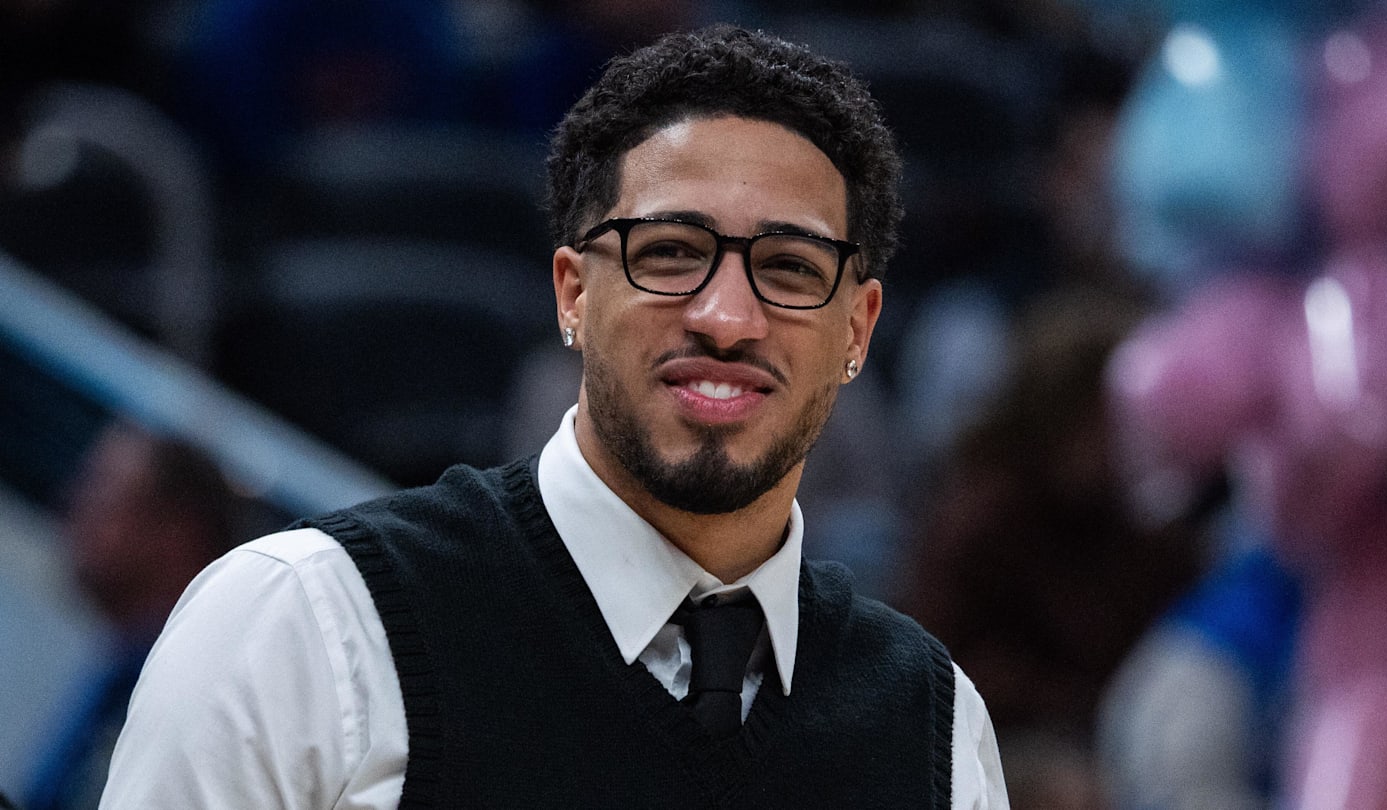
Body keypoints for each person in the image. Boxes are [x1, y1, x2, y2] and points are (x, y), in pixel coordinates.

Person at [100, 25, 1008, 808]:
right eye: (670, 251)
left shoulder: (935, 725)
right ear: (571, 294)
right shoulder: (304, 622)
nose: (727, 317)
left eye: (790, 269)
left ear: (858, 328)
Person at [25, 422, 238, 810]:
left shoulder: (186, 694)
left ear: (178, 535)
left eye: (104, 491)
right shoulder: (130, 668)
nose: (74, 502)